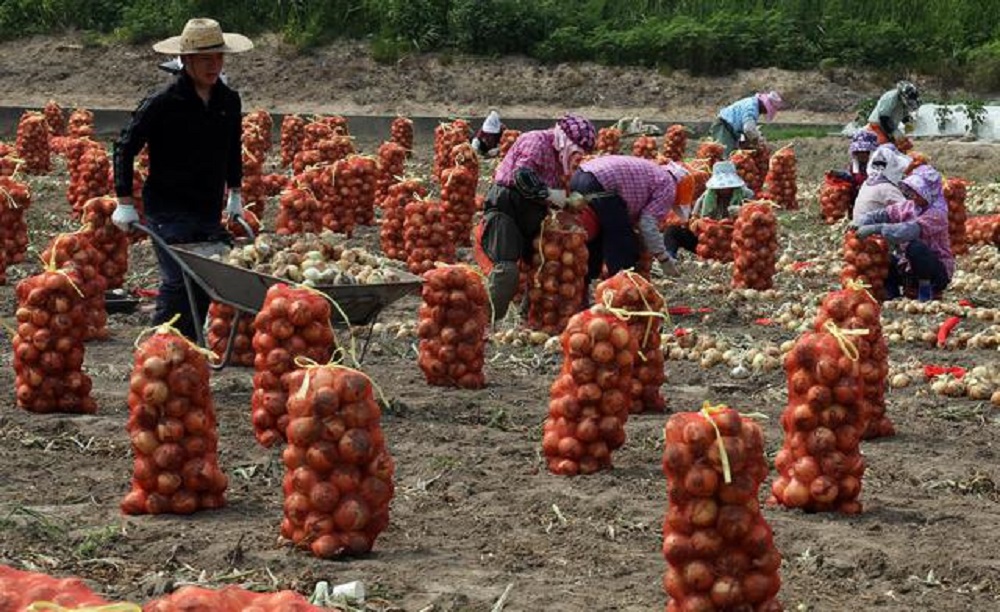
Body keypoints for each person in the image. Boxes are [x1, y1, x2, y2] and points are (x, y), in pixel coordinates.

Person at [112, 18, 252, 340]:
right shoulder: (162, 103)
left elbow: (232, 149)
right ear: (186, 60)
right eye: (205, 59)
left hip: (206, 207)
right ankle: (156, 352)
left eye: (218, 58)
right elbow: (124, 146)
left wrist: (235, 193)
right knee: (178, 281)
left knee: (205, 282)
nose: (214, 65)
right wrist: (124, 202)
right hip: (167, 208)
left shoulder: (228, 101)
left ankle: (187, 349)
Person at [477, 113, 597, 320]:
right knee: (507, 270)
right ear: (566, 140)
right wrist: (552, 194)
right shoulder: (537, 141)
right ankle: (488, 321)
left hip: (533, 211)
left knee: (541, 266)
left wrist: (570, 204)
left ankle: (528, 317)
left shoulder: (560, 158)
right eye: (577, 149)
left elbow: (557, 193)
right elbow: (522, 176)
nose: (579, 156)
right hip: (507, 205)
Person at [569, 156, 694, 284]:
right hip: (601, 186)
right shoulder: (668, 185)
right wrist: (663, 258)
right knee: (623, 249)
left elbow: (637, 217)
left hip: (580, 176)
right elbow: (647, 223)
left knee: (595, 239)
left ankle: (584, 287)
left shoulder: (655, 172)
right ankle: (623, 292)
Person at [852, 164, 953, 299]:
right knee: (885, 256)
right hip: (908, 268)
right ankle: (891, 293)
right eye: (914, 191)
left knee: (915, 247)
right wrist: (862, 220)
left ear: (930, 193)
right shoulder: (909, 206)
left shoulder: (937, 214)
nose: (914, 196)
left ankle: (925, 292)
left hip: (935, 271)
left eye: (919, 193)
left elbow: (909, 231)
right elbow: (883, 214)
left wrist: (877, 228)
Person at [663, 161, 753, 258]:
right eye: (721, 187)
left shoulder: (746, 195)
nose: (724, 189)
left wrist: (742, 211)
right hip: (709, 240)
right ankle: (669, 257)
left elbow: (756, 219)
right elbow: (694, 219)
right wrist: (699, 223)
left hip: (733, 241)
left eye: (728, 186)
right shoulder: (706, 197)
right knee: (672, 231)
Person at [852, 144, 912, 223]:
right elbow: (909, 211)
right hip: (869, 230)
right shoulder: (887, 188)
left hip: (859, 224)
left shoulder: (868, 182)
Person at [711, 91, 783, 155]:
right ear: (764, 105)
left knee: (732, 155)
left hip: (730, 130)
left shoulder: (752, 103)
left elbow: (746, 128)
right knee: (724, 155)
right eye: (766, 110)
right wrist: (757, 141)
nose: (764, 112)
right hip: (724, 127)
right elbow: (748, 129)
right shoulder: (752, 108)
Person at [867, 80, 920, 146]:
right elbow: (883, 117)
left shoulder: (902, 102)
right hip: (877, 127)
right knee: (885, 146)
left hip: (890, 127)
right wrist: (892, 132)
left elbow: (904, 116)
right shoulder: (891, 98)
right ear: (903, 95)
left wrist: (910, 125)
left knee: (906, 146)